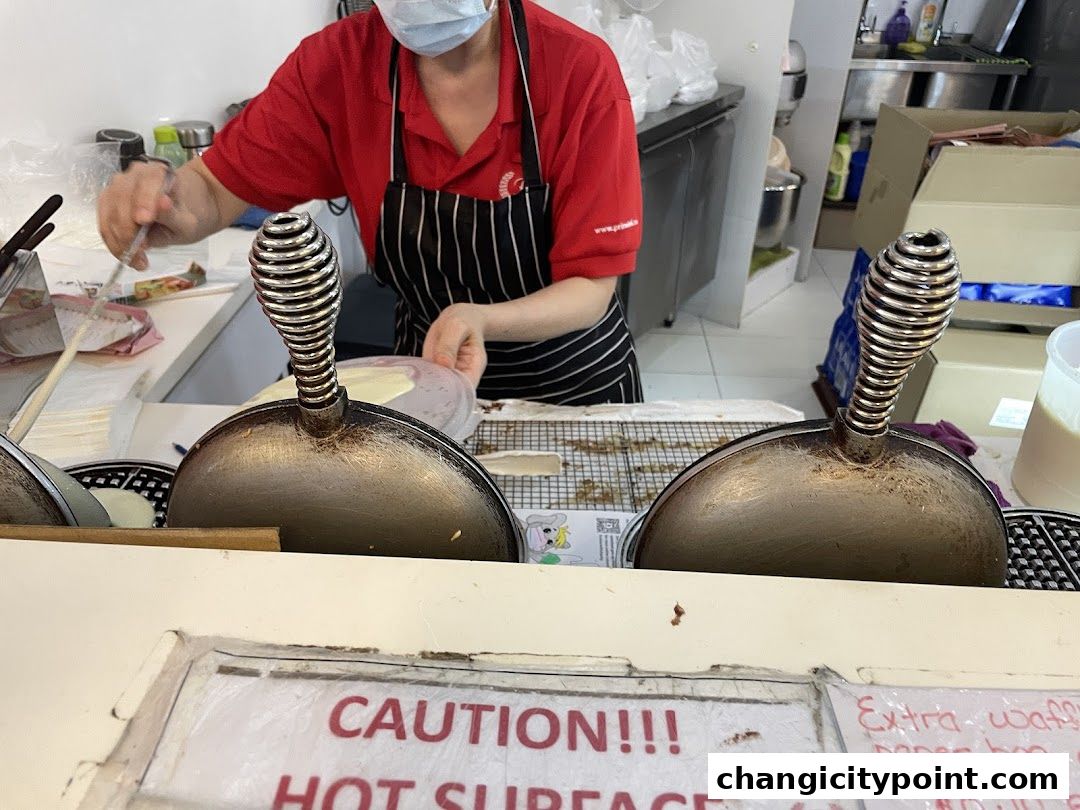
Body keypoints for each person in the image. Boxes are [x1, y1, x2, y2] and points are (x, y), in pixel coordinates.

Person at [98, 0, 644, 405]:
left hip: (572, 386)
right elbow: (214, 189)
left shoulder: (576, 71)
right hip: (425, 375)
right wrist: (165, 201)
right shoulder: (337, 67)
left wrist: (478, 318)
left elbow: (592, 287)